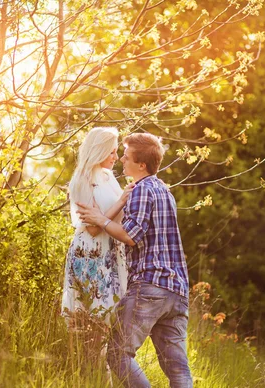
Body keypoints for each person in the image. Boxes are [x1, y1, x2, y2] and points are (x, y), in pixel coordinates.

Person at [77, 133, 193, 388]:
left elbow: (130, 236)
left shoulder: (142, 190)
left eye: (126, 156)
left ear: (141, 164)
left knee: (118, 353)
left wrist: (100, 219)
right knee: (178, 369)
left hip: (150, 286)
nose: (121, 160)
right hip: (178, 291)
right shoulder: (164, 190)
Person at [61, 127, 134, 324]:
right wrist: (121, 202)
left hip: (111, 249)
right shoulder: (82, 180)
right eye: (111, 151)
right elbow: (93, 228)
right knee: (94, 315)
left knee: (112, 315)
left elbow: (107, 217)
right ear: (99, 150)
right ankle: (84, 355)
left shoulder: (108, 177)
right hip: (91, 252)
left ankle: (105, 356)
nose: (116, 157)